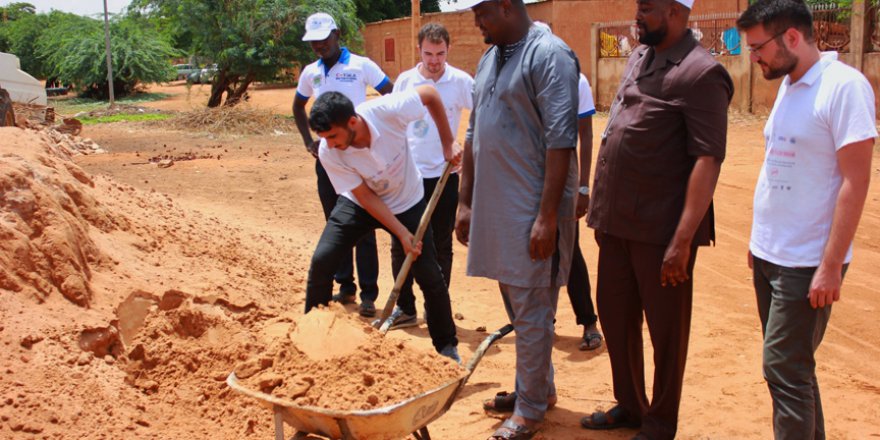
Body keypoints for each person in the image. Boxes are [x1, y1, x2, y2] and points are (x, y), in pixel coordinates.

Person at [582, 0, 733, 439]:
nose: (637, 15)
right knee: (614, 315)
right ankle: (630, 404)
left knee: (666, 333)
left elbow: (708, 160)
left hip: (660, 230)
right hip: (617, 222)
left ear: (674, 11)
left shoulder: (701, 72)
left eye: (646, 8)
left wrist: (683, 240)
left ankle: (660, 422)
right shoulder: (641, 54)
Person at [737, 2, 877, 439]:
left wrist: (831, 264)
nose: (754, 57)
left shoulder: (844, 88)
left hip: (807, 261)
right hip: (770, 255)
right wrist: (759, 240)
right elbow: (781, 165)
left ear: (792, 38)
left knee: (781, 366)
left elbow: (856, 181)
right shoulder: (789, 85)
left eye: (759, 47)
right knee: (794, 368)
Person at [454, 1, 580, 438]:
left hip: (530, 206)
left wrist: (547, 216)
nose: (476, 22)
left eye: (482, 12)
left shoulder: (550, 55)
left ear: (508, 6)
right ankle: (537, 388)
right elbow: (473, 134)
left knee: (531, 309)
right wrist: (465, 201)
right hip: (496, 205)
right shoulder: (491, 56)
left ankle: (529, 408)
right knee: (518, 303)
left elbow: (561, 139)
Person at [303, 87, 462, 362]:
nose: (328, 144)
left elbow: (430, 95)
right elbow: (364, 196)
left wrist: (448, 142)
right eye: (323, 138)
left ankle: (447, 347)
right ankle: (310, 339)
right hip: (359, 203)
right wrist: (401, 233)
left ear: (352, 122)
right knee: (323, 259)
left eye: (332, 136)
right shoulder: (330, 153)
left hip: (407, 200)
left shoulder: (387, 111)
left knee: (429, 275)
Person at [292, 12, 393, 318]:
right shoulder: (311, 72)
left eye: (323, 39)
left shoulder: (361, 65)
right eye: (313, 42)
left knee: (362, 223)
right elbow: (298, 105)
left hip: (359, 156)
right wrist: (309, 141)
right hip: (328, 159)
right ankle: (345, 286)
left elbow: (391, 93)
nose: (318, 46)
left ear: (336, 34)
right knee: (336, 223)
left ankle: (368, 293)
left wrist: (380, 135)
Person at [387, 22, 474, 330]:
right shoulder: (405, 81)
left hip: (444, 176)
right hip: (408, 176)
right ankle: (405, 307)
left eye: (440, 53)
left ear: (448, 50)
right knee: (402, 242)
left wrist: (466, 145)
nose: (434, 60)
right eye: (428, 53)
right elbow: (394, 121)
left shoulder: (461, 81)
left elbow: (481, 112)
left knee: (440, 243)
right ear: (418, 50)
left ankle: (437, 308)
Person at [534, 20, 603, 352]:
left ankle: (589, 322)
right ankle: (541, 320)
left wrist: (584, 188)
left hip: (564, 175)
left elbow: (586, 135)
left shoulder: (576, 78)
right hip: (531, 175)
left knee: (569, 251)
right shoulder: (525, 77)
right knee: (536, 249)